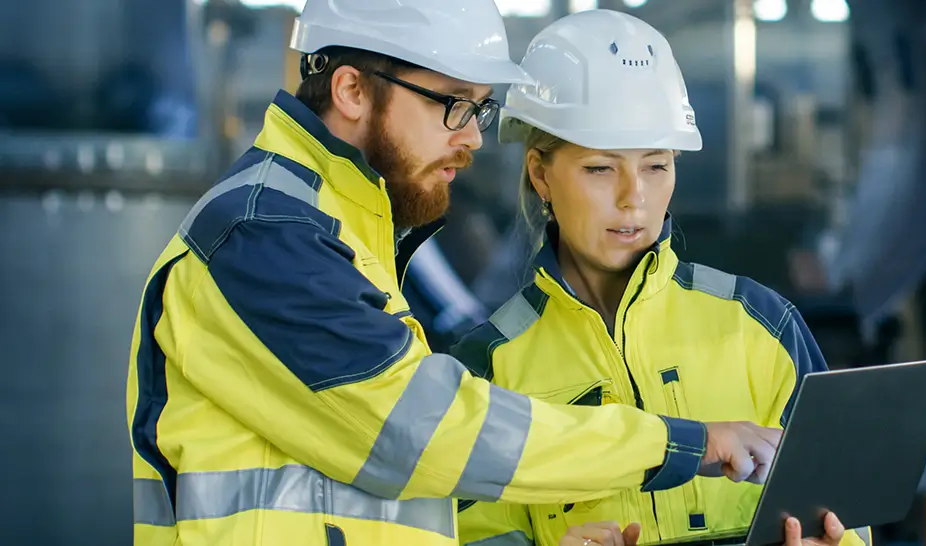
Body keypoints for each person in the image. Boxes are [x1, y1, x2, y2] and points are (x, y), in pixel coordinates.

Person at [124, 2, 784, 545]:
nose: (471, 137)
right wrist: (677, 445)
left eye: (479, 108)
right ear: (352, 89)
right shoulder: (265, 235)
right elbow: (424, 436)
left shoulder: (345, 231)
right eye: (452, 104)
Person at [448, 10, 871, 546]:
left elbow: (846, 510)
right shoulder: (488, 369)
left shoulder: (761, 326)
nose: (634, 198)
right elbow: (463, 532)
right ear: (540, 174)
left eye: (656, 165)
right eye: (600, 168)